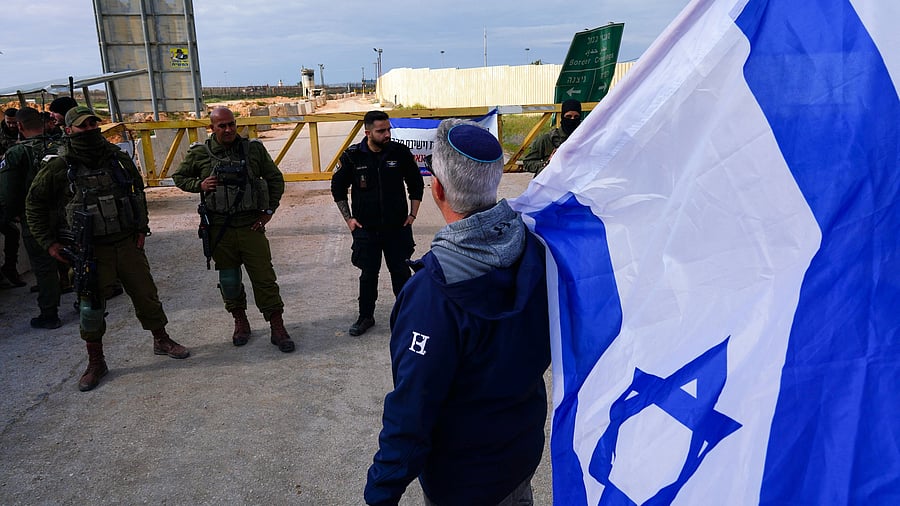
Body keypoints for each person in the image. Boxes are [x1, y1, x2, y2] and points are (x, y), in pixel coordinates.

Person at [364, 119, 551, 505]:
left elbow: (412, 409)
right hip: (520, 455)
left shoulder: (432, 294)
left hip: (463, 480)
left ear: (436, 188)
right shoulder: (536, 250)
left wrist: (381, 491)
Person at [26, 106, 189, 391]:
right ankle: (96, 361)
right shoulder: (59, 167)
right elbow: (34, 204)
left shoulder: (118, 160)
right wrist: (48, 243)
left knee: (146, 295)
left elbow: (137, 192)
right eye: (82, 126)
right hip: (91, 251)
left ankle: (161, 340)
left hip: (126, 243)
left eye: (93, 124)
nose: (89, 130)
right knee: (90, 307)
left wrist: (141, 229)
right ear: (68, 131)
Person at [172, 106, 295, 353]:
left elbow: (275, 179)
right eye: (222, 126)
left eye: (231, 124)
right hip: (219, 228)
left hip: (250, 225)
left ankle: (277, 326)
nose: (228, 130)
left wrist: (268, 211)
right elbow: (179, 177)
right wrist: (200, 184)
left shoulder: (253, 150)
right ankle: (240, 321)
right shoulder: (200, 153)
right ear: (212, 128)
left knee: (264, 278)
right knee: (229, 280)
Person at [330, 110, 424, 336]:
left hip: (397, 228)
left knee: (401, 273)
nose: (387, 134)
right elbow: (337, 189)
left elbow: (416, 183)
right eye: (381, 131)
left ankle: (406, 317)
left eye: (389, 129)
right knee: (368, 275)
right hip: (366, 229)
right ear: (368, 132)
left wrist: (412, 216)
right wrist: (349, 219)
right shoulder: (352, 156)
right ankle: (365, 317)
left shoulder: (399, 152)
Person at [0, 107, 63, 327]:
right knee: (78, 256)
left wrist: (12, 214)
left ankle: (49, 313)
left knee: (44, 265)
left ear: (20, 126)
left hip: (35, 217)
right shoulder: (61, 146)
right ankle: (90, 305)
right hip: (68, 212)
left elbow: (8, 193)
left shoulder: (16, 154)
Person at [522, 98, 582, 176]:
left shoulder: (584, 139)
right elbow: (527, 163)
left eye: (576, 117)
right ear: (562, 117)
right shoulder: (547, 139)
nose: (572, 120)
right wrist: (547, 163)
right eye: (568, 116)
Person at [0, 107, 25, 287]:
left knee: (12, 231)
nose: (11, 126)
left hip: (11, 184)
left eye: (13, 123)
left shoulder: (24, 132)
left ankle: (9, 269)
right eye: (8, 122)